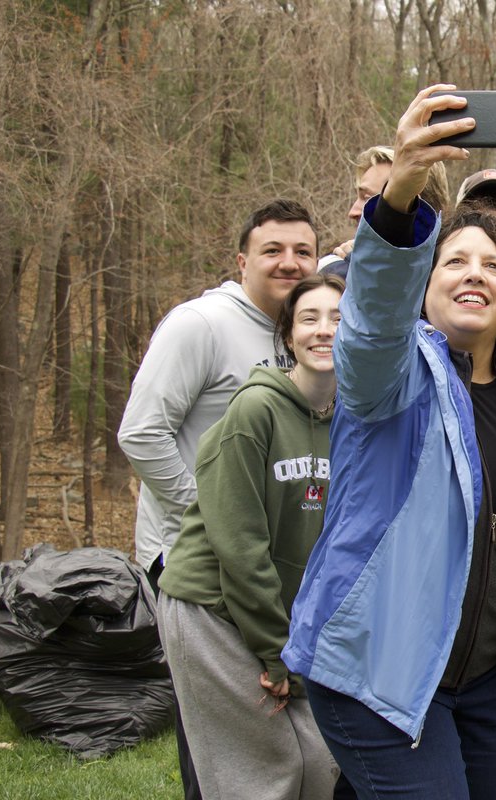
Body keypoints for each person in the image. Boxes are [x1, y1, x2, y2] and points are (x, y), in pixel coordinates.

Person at [282, 85, 496, 800]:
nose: (474, 274)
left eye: (491, 265)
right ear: (424, 287)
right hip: (378, 672)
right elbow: (371, 319)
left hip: (490, 680)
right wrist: (402, 193)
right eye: (453, 262)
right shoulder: (389, 377)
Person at [119, 198, 317, 800]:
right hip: (192, 559)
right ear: (241, 260)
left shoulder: (305, 330)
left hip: (263, 561)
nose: (288, 263)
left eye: (302, 252)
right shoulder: (199, 324)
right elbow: (142, 433)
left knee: (269, 727)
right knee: (219, 737)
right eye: (272, 251)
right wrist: (206, 516)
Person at [157, 274, 345, 800]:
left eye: (339, 318)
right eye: (309, 319)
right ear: (288, 337)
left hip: (278, 615)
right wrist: (276, 651)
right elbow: (239, 546)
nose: (325, 330)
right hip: (211, 606)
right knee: (262, 777)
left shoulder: (350, 422)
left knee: (318, 763)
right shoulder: (254, 410)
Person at [318, 144, 450, 277]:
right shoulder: (333, 268)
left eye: (367, 199)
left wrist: (360, 270)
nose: (352, 212)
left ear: (411, 205)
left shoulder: (447, 282)